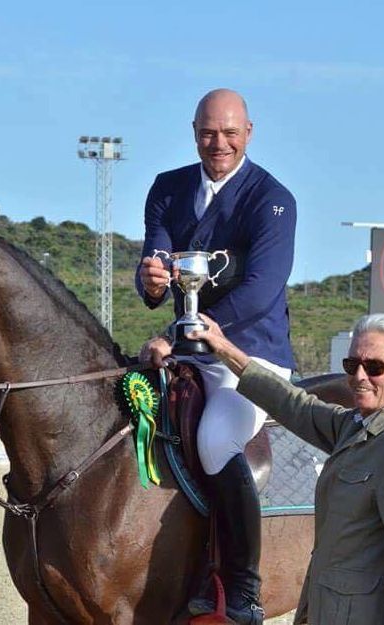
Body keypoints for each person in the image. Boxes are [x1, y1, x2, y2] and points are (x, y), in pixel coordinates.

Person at [150, 312, 384, 625]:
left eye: (374, 367)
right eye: (351, 364)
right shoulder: (357, 425)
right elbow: (294, 404)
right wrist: (224, 349)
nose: (359, 376)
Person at [136, 88, 297, 623]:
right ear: (194, 131)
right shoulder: (167, 188)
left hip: (248, 355)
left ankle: (243, 586)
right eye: (209, 132)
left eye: (230, 133)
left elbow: (261, 289)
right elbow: (156, 262)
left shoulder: (273, 200)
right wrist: (152, 276)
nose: (219, 143)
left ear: (248, 132)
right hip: (186, 348)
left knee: (213, 439)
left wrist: (183, 334)